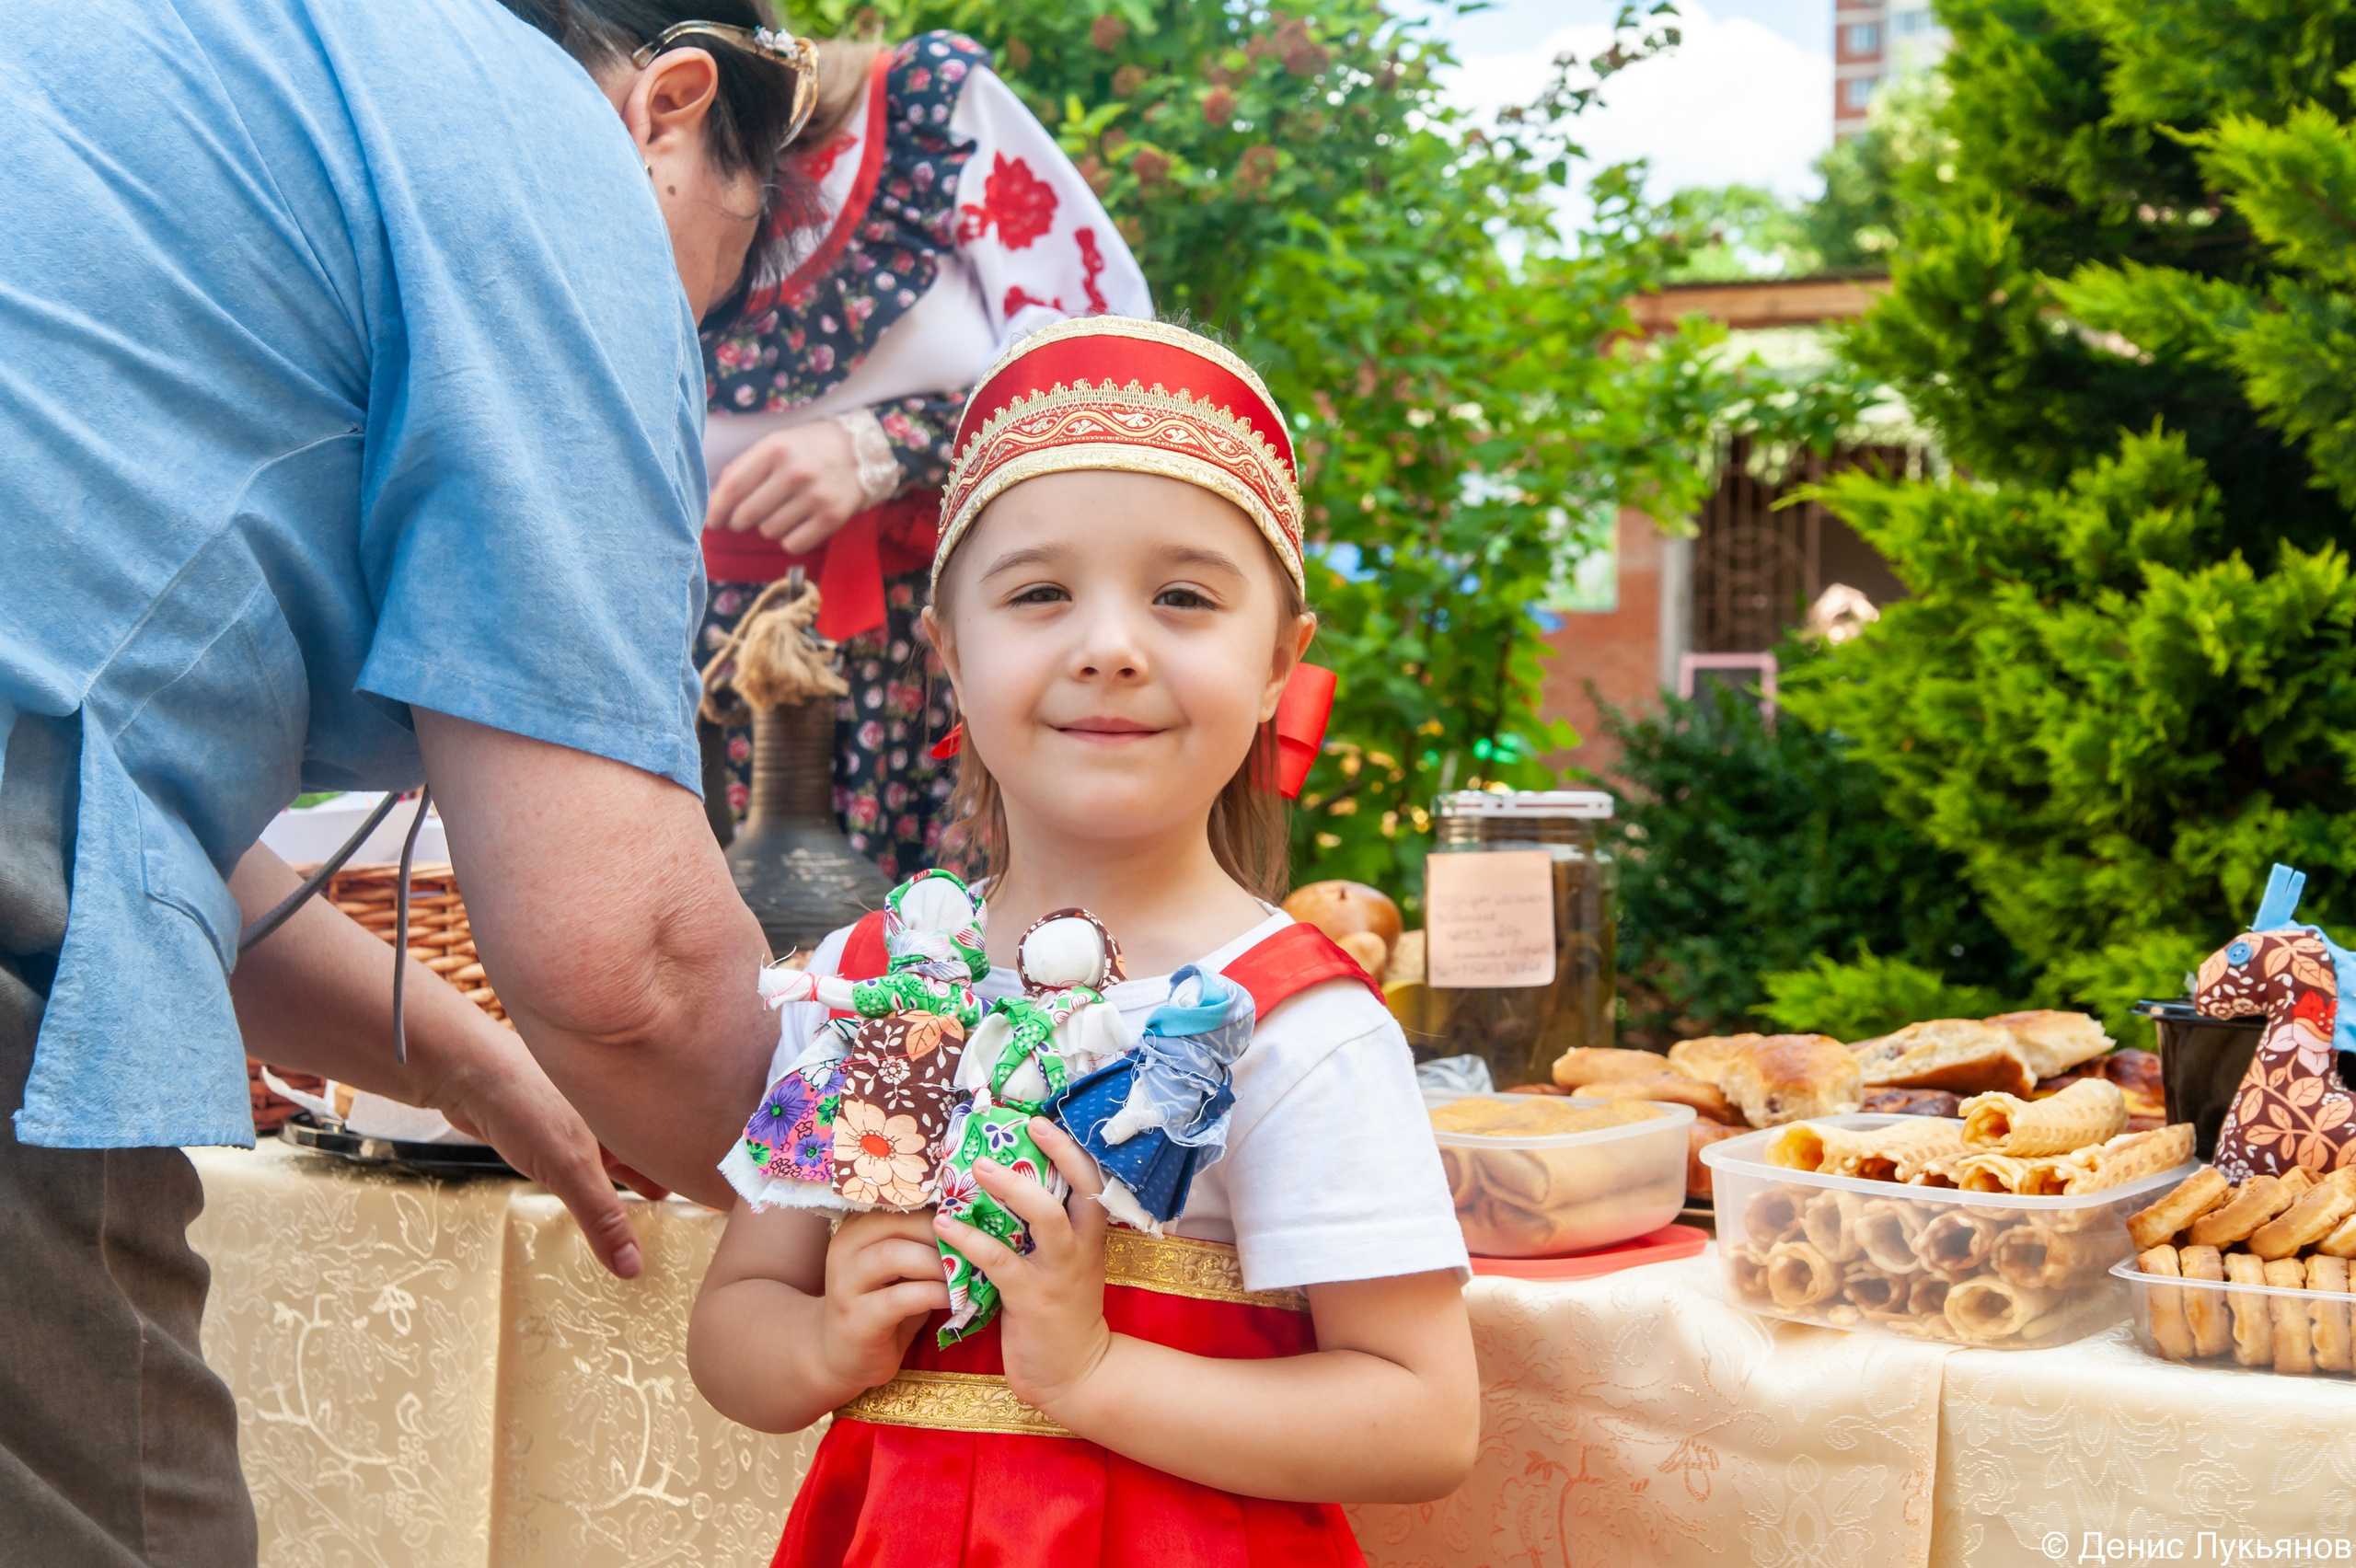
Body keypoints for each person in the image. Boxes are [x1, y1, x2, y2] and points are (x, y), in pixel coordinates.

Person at [1, 0, 817, 1561]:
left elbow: (88, 775)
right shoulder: (541, 144)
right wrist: (878, 1208)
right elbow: (626, 961)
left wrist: (458, 1056)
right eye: (687, 301)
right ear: (668, 107)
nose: (669, 357)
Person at [688, 318, 1480, 1566]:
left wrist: (1093, 1371)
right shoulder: (864, 990)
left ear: (1279, 663)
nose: (1109, 646)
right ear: (949, 656)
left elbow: (1421, 1419)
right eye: (1041, 592)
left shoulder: (1294, 1024)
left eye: (1182, 596)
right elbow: (735, 1326)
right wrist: (825, 1346)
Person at [695, 29, 1151, 882]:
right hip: (704, 674)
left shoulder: (918, 111)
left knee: (961, 966)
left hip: (934, 655)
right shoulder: (588, 179)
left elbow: (1102, 369)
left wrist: (883, 447)